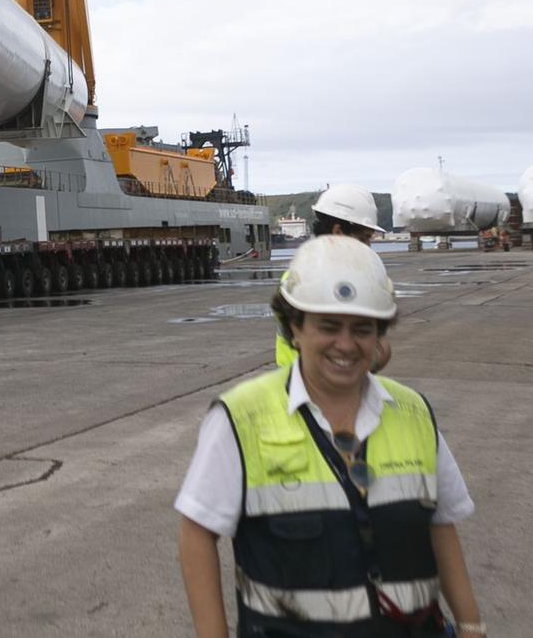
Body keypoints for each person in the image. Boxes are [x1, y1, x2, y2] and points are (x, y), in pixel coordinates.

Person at [177, 236, 485, 637]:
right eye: (328, 326)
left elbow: (440, 525)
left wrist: (471, 624)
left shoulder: (412, 412)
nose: (345, 344)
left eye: (362, 329)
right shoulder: (241, 416)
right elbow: (196, 533)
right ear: (295, 327)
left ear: (379, 334)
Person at [276, 185, 390, 374]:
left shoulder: (298, 274)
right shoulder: (326, 283)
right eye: (363, 238)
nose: (368, 247)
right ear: (338, 232)